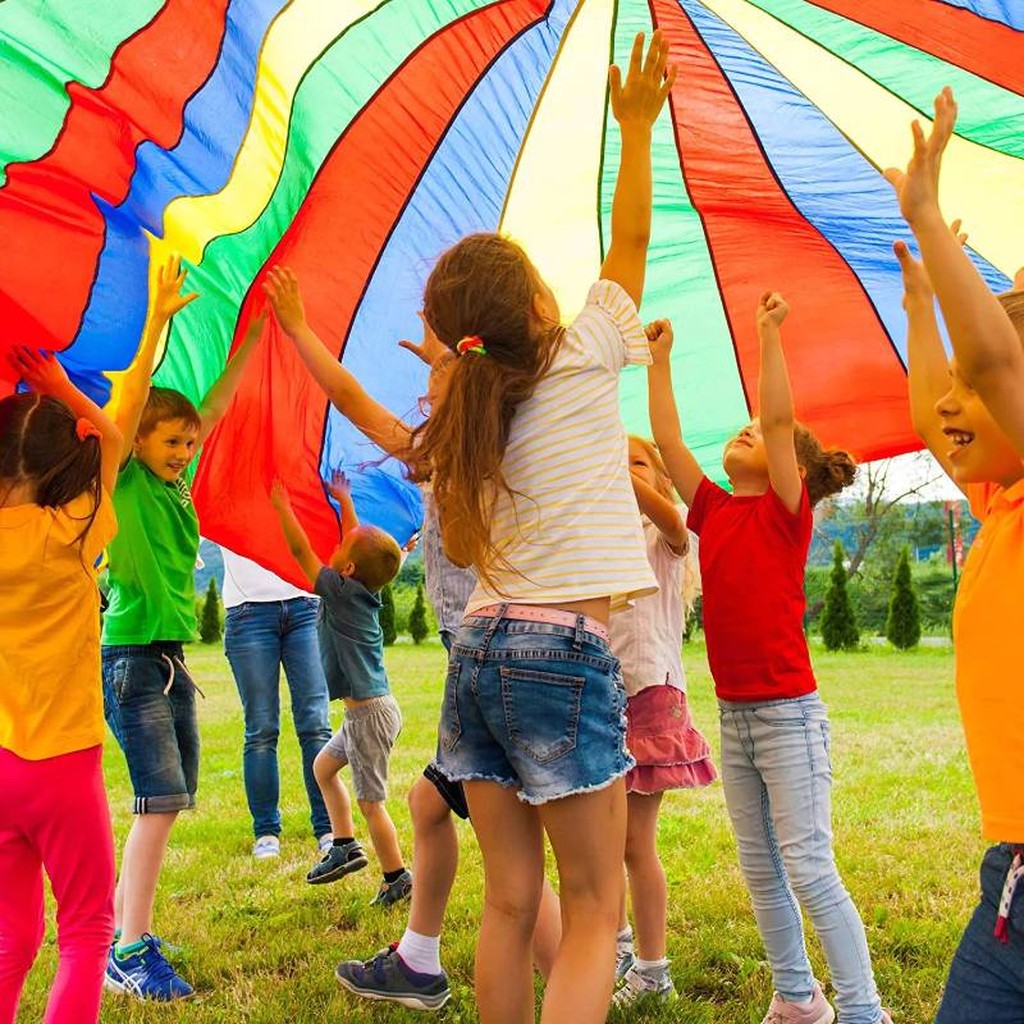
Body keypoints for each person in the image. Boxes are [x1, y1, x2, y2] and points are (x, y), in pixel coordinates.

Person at [396, 31, 674, 1024]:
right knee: (594, 905)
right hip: (564, 654)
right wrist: (635, 131)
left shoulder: (471, 412)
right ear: (538, 303)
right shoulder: (591, 348)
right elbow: (632, 241)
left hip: (478, 647)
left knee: (511, 901)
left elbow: (466, 554)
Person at [263, 269, 562, 1010]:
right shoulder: (489, 443)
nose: (425, 397)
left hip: (489, 661)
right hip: (494, 659)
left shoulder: (463, 452)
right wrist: (444, 358)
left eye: (439, 383)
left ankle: (571, 976)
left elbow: (357, 403)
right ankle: (422, 961)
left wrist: (302, 330)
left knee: (511, 862)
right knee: (432, 810)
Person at [648, 302, 891, 1024]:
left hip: (787, 717)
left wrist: (768, 337)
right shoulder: (716, 511)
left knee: (810, 867)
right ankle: (796, 997)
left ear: (796, 472)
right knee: (761, 869)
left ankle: (864, 1011)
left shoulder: (786, 511)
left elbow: (780, 423)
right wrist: (660, 363)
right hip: (736, 717)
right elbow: (667, 443)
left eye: (757, 433)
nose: (746, 431)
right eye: (741, 429)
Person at [886, 86, 1024, 1024]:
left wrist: (931, 219)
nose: (951, 404)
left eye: (973, 389)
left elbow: (998, 367)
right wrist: (921, 303)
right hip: (1011, 872)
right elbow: (935, 405)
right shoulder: (1001, 501)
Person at [102, 256, 265, 1000]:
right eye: (169, 442)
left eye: (187, 445)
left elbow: (217, 407)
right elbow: (131, 400)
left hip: (166, 660)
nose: (182, 452)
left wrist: (257, 332)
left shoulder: (175, 486)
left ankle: (127, 934)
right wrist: (157, 322)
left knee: (168, 804)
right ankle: (128, 949)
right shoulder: (127, 479)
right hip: (132, 659)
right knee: (158, 804)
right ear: (137, 443)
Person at [0, 347, 120, 1024]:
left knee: (10, 937)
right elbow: (113, 440)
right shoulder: (70, 532)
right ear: (56, 470)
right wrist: (62, 389)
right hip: (63, 767)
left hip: (1, 766)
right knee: (84, 931)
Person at [270, 471, 410, 906]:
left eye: (340, 550)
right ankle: (345, 846)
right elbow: (355, 538)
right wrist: (343, 500)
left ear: (346, 569)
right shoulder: (361, 589)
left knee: (373, 802)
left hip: (369, 715)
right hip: (363, 711)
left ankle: (397, 877)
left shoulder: (338, 589)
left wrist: (282, 507)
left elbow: (300, 551)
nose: (334, 548)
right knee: (323, 770)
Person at [611, 436, 717, 1007]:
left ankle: (653, 969)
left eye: (636, 461)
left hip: (650, 695)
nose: (623, 469)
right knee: (602, 841)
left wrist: (610, 471)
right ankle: (620, 947)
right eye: (616, 458)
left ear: (660, 478)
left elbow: (672, 519)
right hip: (601, 697)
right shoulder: (599, 541)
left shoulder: (667, 535)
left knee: (633, 841)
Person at [221, 548, 334, 860]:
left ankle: (328, 828)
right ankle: (266, 832)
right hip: (248, 613)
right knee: (261, 728)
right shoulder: (229, 496)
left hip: (305, 605)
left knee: (316, 724)